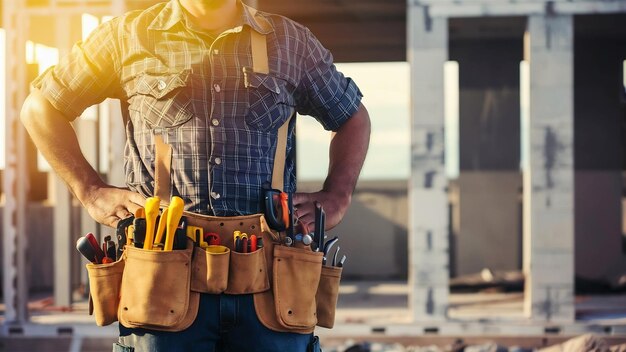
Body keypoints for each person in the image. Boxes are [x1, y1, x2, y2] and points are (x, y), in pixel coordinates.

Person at [20, 0, 370, 351]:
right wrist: (90, 190)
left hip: (272, 286)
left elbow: (353, 118)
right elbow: (41, 108)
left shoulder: (292, 43)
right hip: (162, 279)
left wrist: (336, 195)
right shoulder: (127, 38)